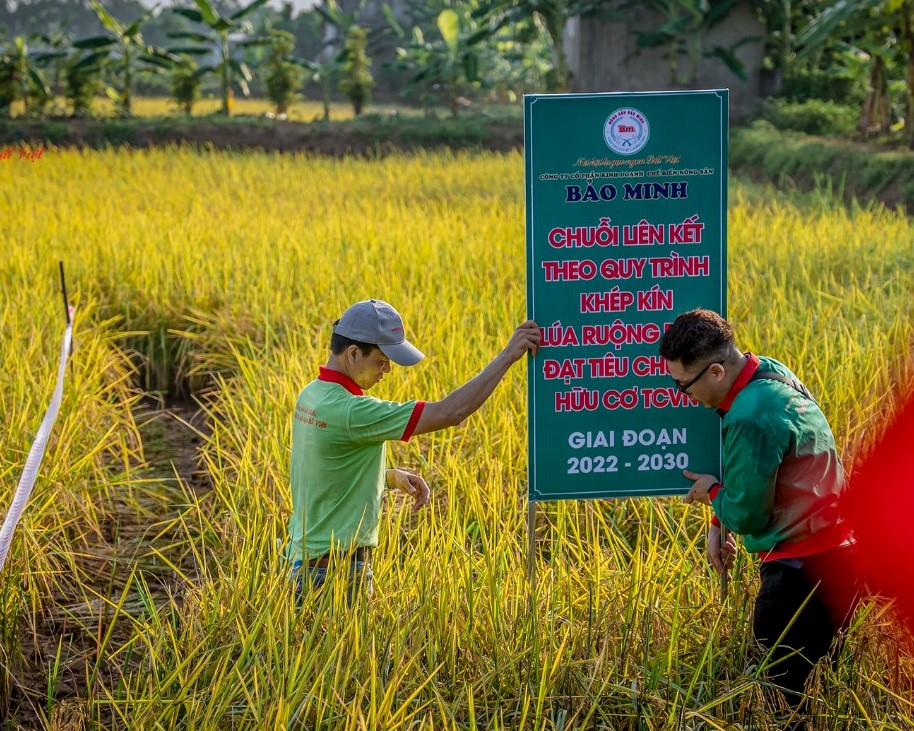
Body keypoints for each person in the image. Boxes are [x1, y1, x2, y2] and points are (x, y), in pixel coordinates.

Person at [658, 308, 863, 710]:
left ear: (716, 372)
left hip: (801, 579)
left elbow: (750, 514)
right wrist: (720, 520)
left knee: (784, 705)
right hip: (843, 555)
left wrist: (713, 494)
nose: (682, 396)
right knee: (827, 694)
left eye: (683, 386)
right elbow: (760, 474)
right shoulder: (769, 372)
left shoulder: (749, 417)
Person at [286, 298, 540, 603]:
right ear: (353, 353)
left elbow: (324, 472)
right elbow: (451, 412)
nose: (387, 370)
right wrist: (508, 356)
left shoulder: (312, 395)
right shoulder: (352, 410)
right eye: (381, 359)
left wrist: (389, 477)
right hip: (337, 575)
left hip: (305, 564)